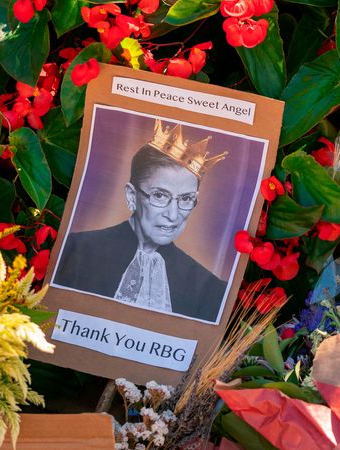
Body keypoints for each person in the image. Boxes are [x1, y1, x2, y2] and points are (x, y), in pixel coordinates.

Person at [53, 120, 228, 323]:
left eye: (186, 199)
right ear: (131, 196)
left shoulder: (210, 289)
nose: (173, 215)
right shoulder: (74, 251)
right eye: (160, 195)